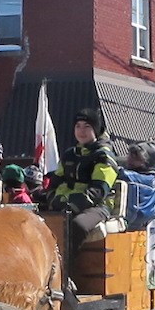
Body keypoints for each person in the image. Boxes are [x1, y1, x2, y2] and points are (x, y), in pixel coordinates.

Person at [45, 107, 117, 267]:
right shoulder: (69, 154)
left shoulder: (103, 155)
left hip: (97, 206)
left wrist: (72, 205)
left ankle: (65, 269)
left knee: (77, 225)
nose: (81, 131)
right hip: (66, 203)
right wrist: (53, 200)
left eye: (87, 127)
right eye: (78, 126)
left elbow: (99, 190)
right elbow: (54, 183)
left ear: (96, 130)